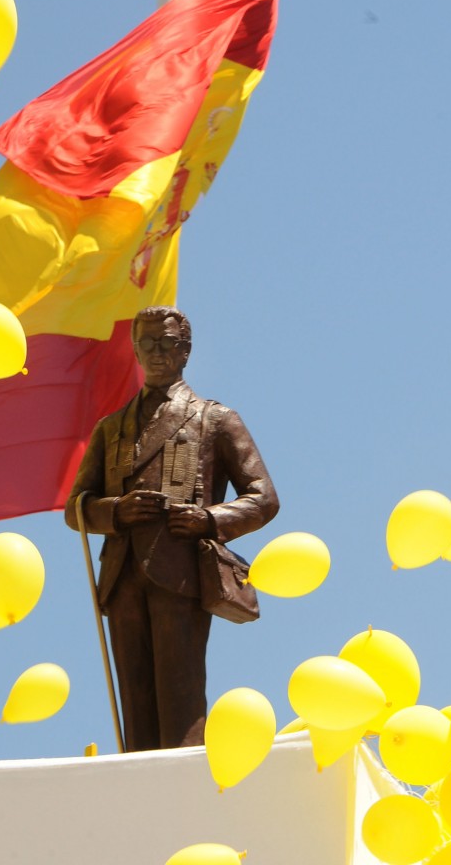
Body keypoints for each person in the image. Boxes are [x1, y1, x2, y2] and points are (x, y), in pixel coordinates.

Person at [64, 305, 279, 752]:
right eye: (147, 343)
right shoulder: (110, 428)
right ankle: (138, 779)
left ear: (186, 350)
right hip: (122, 575)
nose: (157, 352)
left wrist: (209, 519)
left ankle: (184, 777)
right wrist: (117, 511)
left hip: (179, 571)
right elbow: (75, 508)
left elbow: (263, 498)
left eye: (167, 342)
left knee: (181, 694)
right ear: (135, 351)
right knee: (135, 698)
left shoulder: (214, 419)